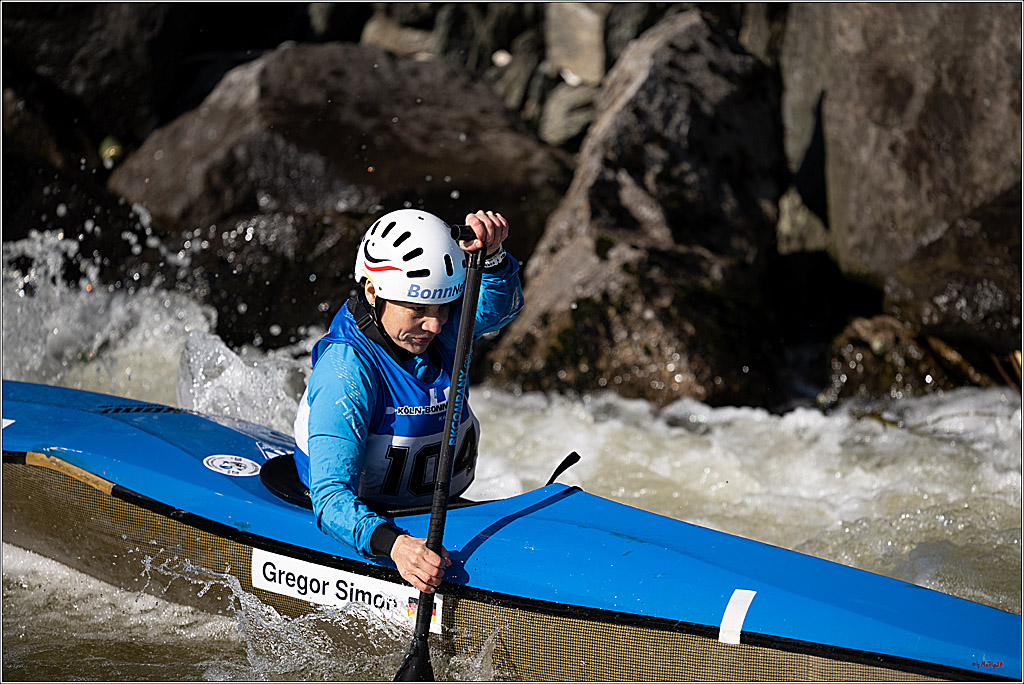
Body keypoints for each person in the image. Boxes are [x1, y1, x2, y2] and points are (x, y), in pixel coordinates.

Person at [293, 208, 523, 595]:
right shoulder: (346, 371)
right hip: (372, 521)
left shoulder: (440, 330)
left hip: (439, 510)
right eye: (417, 310)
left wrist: (495, 257)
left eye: (441, 308)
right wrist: (397, 548)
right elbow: (331, 499)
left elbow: (499, 310)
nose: (434, 325)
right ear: (372, 292)